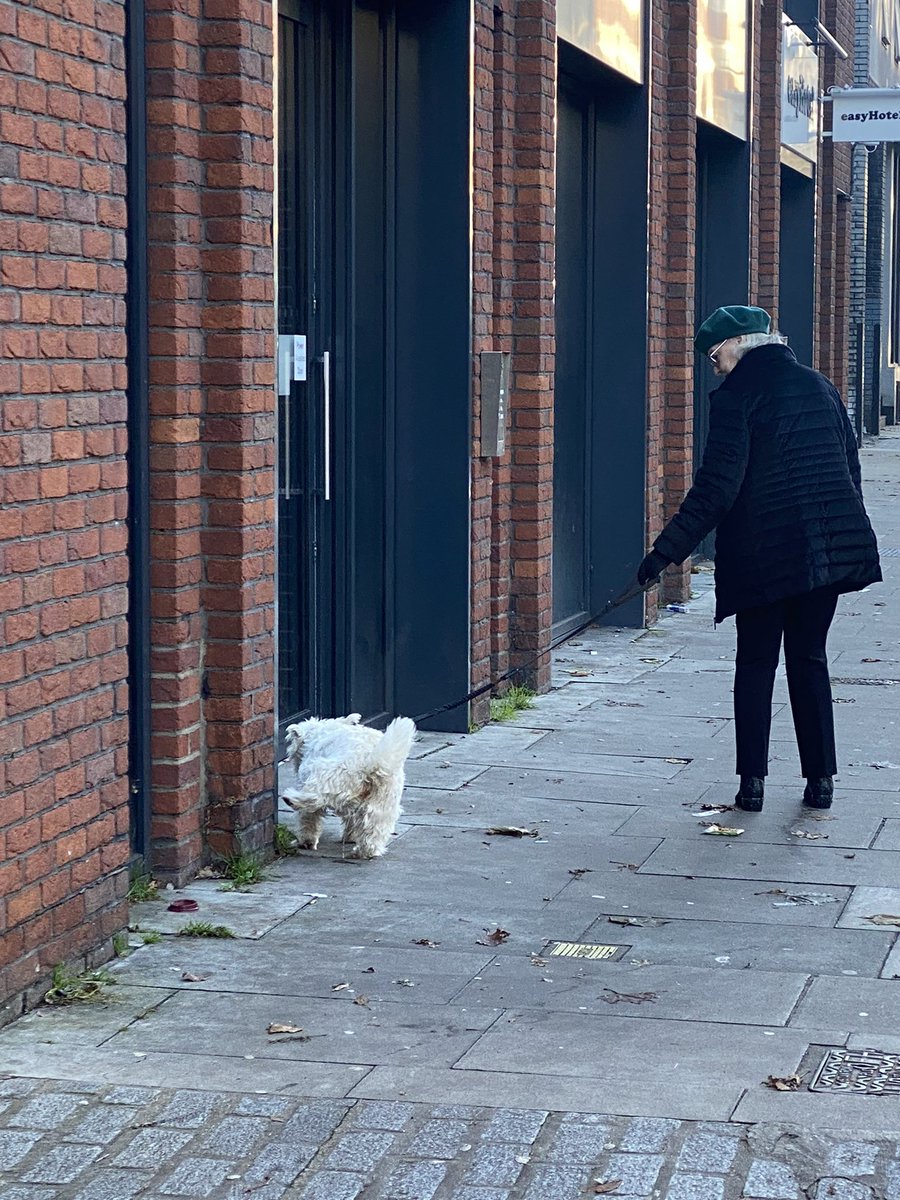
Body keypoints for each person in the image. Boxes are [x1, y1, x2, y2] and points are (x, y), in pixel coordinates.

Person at [638, 305, 882, 812]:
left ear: (736, 345)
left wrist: (664, 554)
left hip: (764, 555)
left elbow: (716, 490)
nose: (716, 367)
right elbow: (849, 466)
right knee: (809, 660)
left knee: (755, 664)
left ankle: (752, 785)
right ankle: (821, 782)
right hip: (825, 552)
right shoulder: (820, 385)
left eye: (715, 356)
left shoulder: (738, 396)